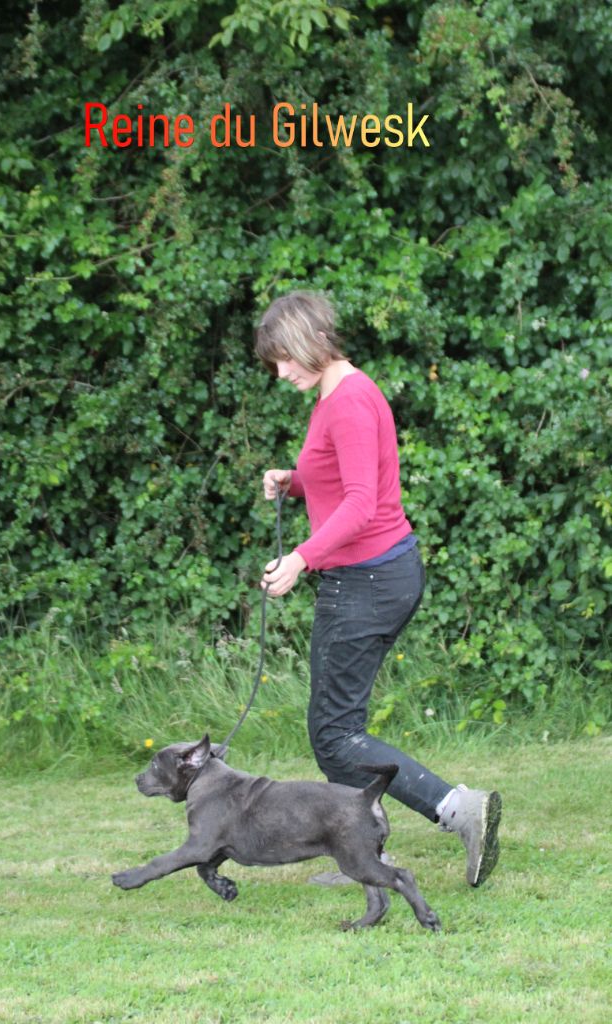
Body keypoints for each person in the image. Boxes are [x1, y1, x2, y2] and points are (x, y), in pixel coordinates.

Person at [255, 290, 501, 888]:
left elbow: (364, 502)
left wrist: (302, 557)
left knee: (335, 734)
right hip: (376, 575)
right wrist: (294, 482)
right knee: (339, 728)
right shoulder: (338, 394)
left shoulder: (348, 402)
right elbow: (342, 480)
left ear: (313, 341)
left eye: (284, 357)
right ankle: (367, 855)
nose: (280, 372)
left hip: (366, 579)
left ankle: (459, 810)